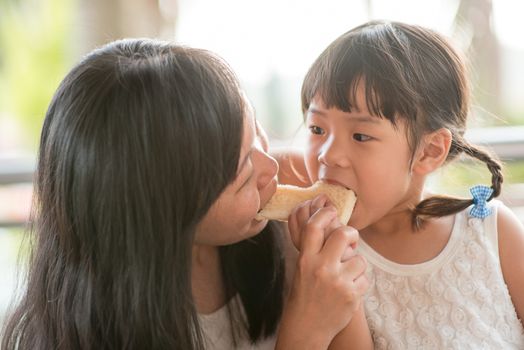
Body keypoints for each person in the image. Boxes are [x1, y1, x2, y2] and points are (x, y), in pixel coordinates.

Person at [1, 39, 369, 349]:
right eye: (242, 176)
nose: (270, 168)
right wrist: (307, 330)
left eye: (256, 131)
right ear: (164, 216)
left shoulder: (278, 220)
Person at [277, 20, 524, 349]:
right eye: (317, 129)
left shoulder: (491, 228)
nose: (327, 155)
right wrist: (330, 262)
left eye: (361, 135)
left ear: (429, 151)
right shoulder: (319, 261)